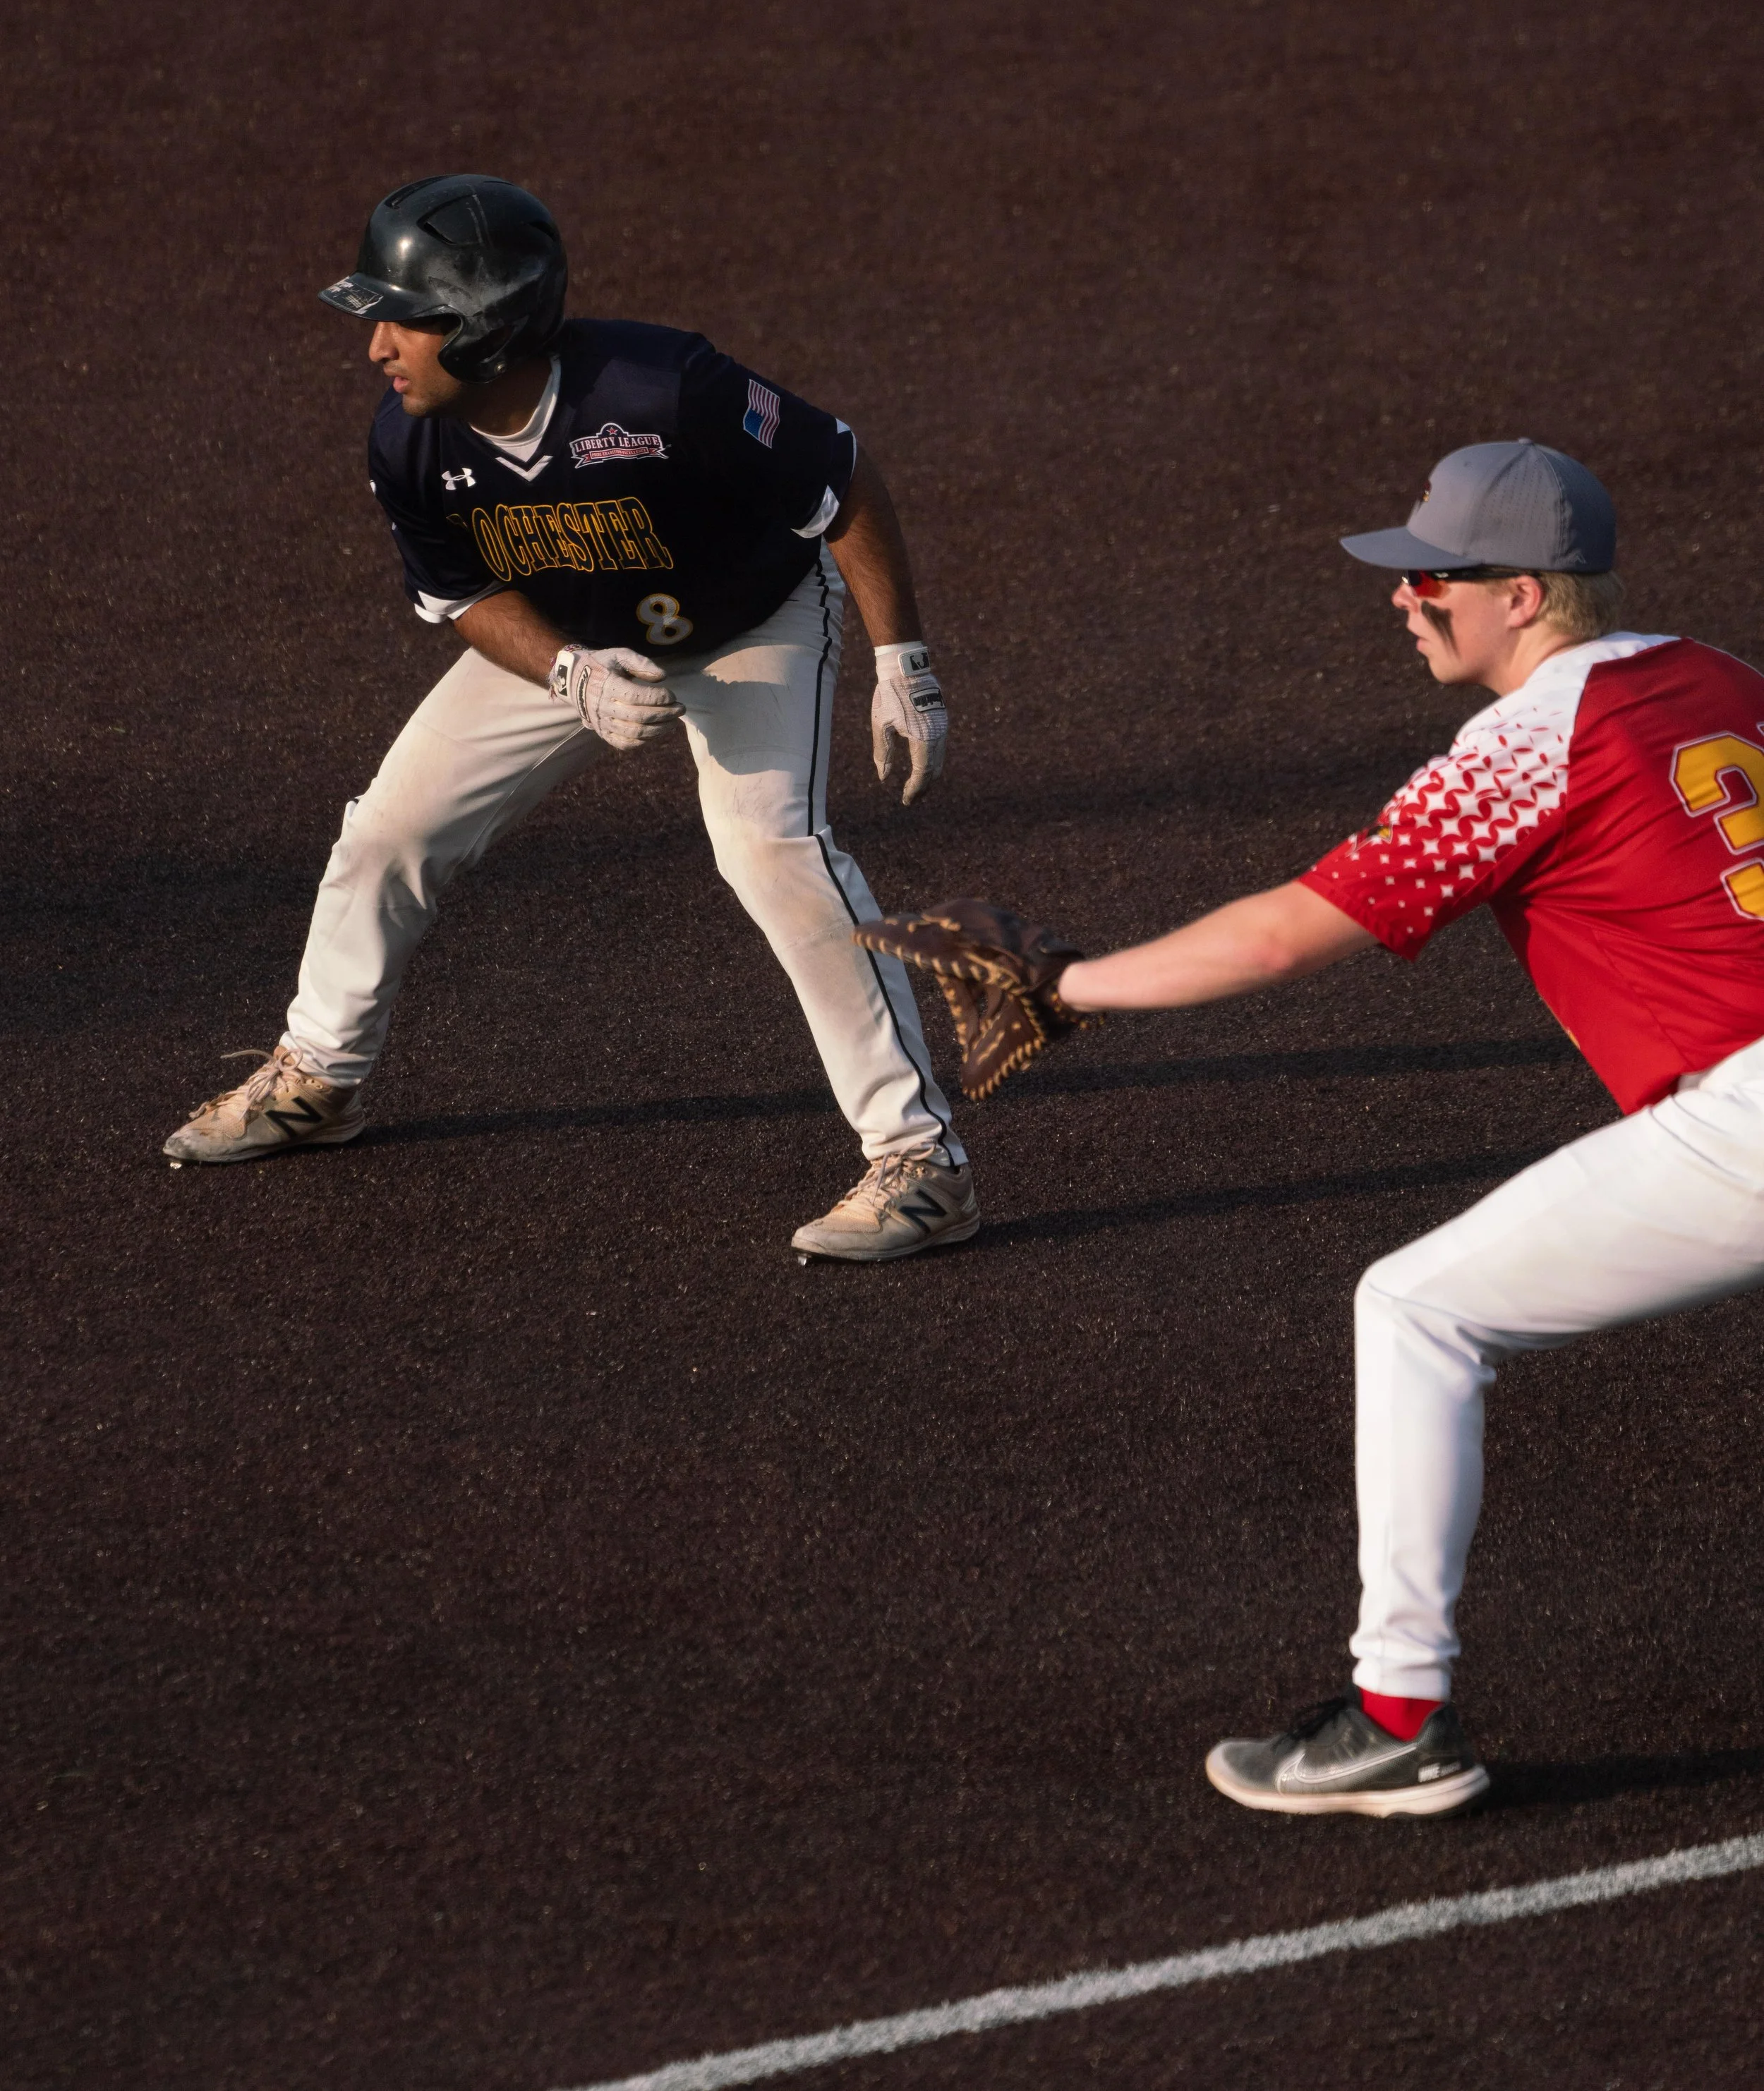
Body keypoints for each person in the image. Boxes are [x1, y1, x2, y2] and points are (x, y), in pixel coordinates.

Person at [910, 440, 1764, 1813]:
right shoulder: (1719, 675)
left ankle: (1394, 1715)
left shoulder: (1530, 739)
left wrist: (1064, 985)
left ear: (1525, 596)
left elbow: (1280, 937)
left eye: (1432, 577)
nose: (1402, 598)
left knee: (1413, 1308)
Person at [164, 174, 972, 1264]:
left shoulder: (663, 386)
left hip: (752, 624)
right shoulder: (409, 445)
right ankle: (320, 1078)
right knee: (391, 831)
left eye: (405, 319)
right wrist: (567, 673)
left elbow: (839, 481)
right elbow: (460, 594)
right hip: (568, 634)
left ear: (485, 328)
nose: (376, 348)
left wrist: (903, 659)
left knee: (772, 852)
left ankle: (922, 1163)